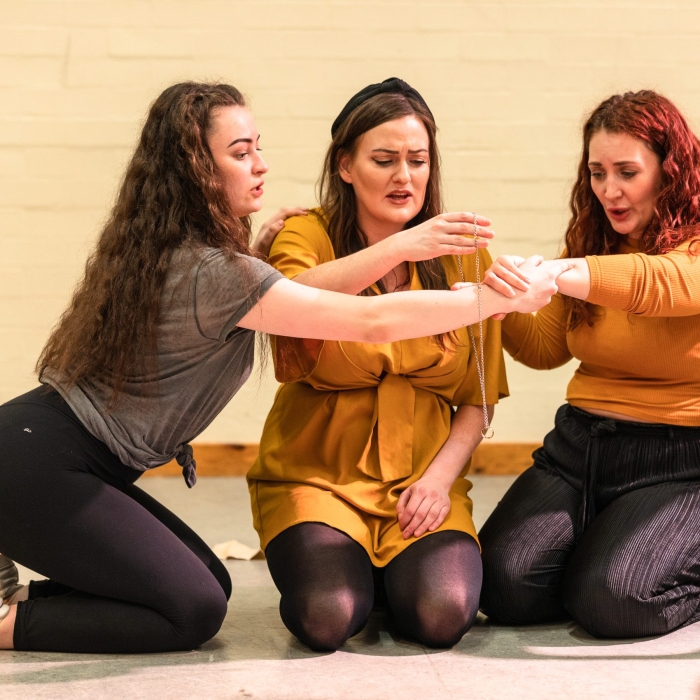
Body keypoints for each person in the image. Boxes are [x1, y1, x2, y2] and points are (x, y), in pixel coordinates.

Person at [0, 82, 566, 654]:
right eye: (241, 153)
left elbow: (494, 376)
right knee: (191, 612)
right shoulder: (218, 273)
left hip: (57, 455)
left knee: (210, 585)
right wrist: (493, 298)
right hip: (39, 458)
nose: (261, 165)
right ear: (198, 169)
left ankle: (14, 600)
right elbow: (369, 323)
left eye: (258, 147)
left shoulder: (203, 257)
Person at [248, 78, 511, 652]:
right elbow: (286, 300)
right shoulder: (307, 233)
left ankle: (390, 574)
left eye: (417, 160)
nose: (404, 177)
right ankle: (352, 573)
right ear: (345, 165)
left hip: (421, 480)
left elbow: (480, 396)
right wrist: (401, 246)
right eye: (384, 160)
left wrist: (440, 482)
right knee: (327, 616)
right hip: (316, 476)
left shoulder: (464, 248)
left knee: (443, 616)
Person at [477, 90, 700, 638]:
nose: (609, 190)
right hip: (579, 451)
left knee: (611, 600)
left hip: (678, 460)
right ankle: (616, 548)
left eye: (627, 171)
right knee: (499, 585)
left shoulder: (689, 248)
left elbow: (658, 285)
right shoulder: (593, 245)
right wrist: (496, 286)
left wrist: (559, 272)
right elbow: (546, 348)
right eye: (597, 172)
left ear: (670, 171)